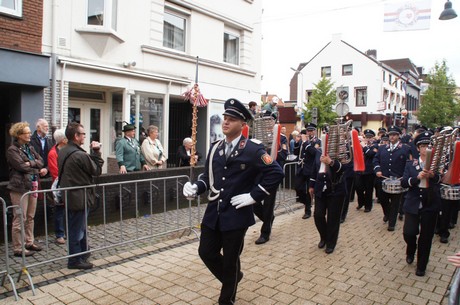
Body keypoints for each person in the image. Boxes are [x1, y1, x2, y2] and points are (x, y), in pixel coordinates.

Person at [183, 98, 284, 305]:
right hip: (214, 213)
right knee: (206, 252)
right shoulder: (215, 148)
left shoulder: (253, 149)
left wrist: (254, 196)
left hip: (237, 214)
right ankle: (234, 278)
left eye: (232, 119)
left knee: (230, 260)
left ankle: (226, 299)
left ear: (242, 124)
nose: (226, 122)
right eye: (225, 118)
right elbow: (208, 176)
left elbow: (276, 172)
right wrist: (196, 187)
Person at [59, 122, 104, 269]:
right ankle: (75, 260)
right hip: (79, 196)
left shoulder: (63, 151)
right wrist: (96, 152)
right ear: (76, 136)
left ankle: (82, 254)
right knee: (77, 229)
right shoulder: (79, 154)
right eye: (83, 134)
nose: (85, 136)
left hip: (71, 195)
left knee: (78, 227)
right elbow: (96, 170)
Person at [401, 131, 441, 276]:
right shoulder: (411, 164)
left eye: (429, 146)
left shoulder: (437, 164)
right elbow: (404, 182)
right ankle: (411, 249)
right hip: (413, 203)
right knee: (409, 233)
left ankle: (421, 266)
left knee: (426, 237)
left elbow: (442, 179)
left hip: (430, 204)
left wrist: (433, 175)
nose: (426, 149)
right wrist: (417, 177)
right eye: (423, 146)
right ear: (418, 149)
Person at [7, 122, 44, 257]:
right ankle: (18, 247)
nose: (29, 134)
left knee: (30, 216)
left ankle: (29, 241)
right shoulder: (12, 150)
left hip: (32, 184)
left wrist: (32, 163)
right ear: (19, 135)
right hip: (19, 188)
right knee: (19, 217)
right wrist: (36, 167)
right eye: (27, 133)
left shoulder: (30, 147)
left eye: (29, 132)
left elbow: (41, 160)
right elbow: (21, 167)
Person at [309, 141, 346, 254]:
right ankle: (324, 237)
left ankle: (331, 243)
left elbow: (344, 168)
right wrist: (311, 185)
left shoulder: (342, 151)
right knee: (318, 215)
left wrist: (330, 162)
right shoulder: (319, 152)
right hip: (320, 188)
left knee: (333, 219)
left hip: (335, 190)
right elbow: (315, 169)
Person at [373, 126, 411, 231]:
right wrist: (377, 170)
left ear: (398, 136)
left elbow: (409, 164)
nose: (392, 137)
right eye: (390, 135)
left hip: (398, 180)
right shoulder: (382, 148)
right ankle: (387, 214)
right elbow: (375, 160)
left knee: (395, 202)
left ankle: (392, 223)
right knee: (383, 199)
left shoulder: (405, 148)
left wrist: (405, 176)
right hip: (384, 179)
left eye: (394, 135)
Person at [296, 123, 321, 219]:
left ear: (314, 131)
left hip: (311, 169)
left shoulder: (317, 141)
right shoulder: (304, 141)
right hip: (301, 167)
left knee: (308, 190)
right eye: (308, 131)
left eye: (311, 130)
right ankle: (306, 202)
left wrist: (305, 143)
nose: (309, 132)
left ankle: (308, 210)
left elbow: (314, 152)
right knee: (298, 187)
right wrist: (298, 142)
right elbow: (296, 152)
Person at [47, 128, 68, 245]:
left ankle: (68, 231)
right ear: (61, 140)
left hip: (68, 183)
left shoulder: (68, 150)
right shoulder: (53, 153)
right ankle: (59, 234)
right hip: (59, 185)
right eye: (65, 137)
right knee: (59, 210)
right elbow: (55, 171)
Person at [355, 129, 378, 213]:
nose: (368, 139)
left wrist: (364, 146)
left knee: (369, 189)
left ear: (373, 138)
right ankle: (361, 202)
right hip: (360, 170)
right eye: (367, 137)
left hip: (369, 171)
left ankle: (368, 206)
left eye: (370, 137)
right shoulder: (361, 145)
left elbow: (371, 154)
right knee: (358, 187)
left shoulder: (375, 146)